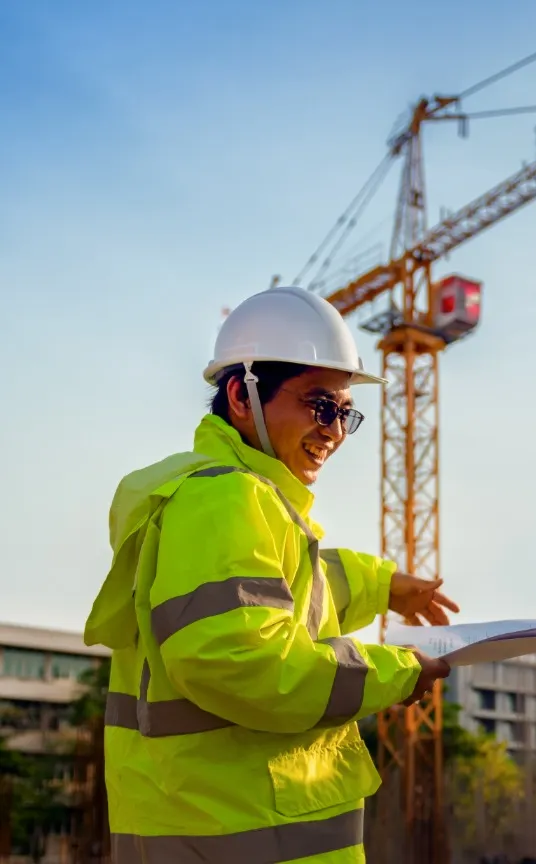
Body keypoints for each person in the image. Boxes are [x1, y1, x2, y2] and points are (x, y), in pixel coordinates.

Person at [84, 286, 460, 863]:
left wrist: (381, 584)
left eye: (345, 413)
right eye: (320, 405)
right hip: (237, 835)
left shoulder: (243, 499)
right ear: (241, 395)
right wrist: (396, 671)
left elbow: (285, 591)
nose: (335, 431)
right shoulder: (225, 498)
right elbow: (243, 662)